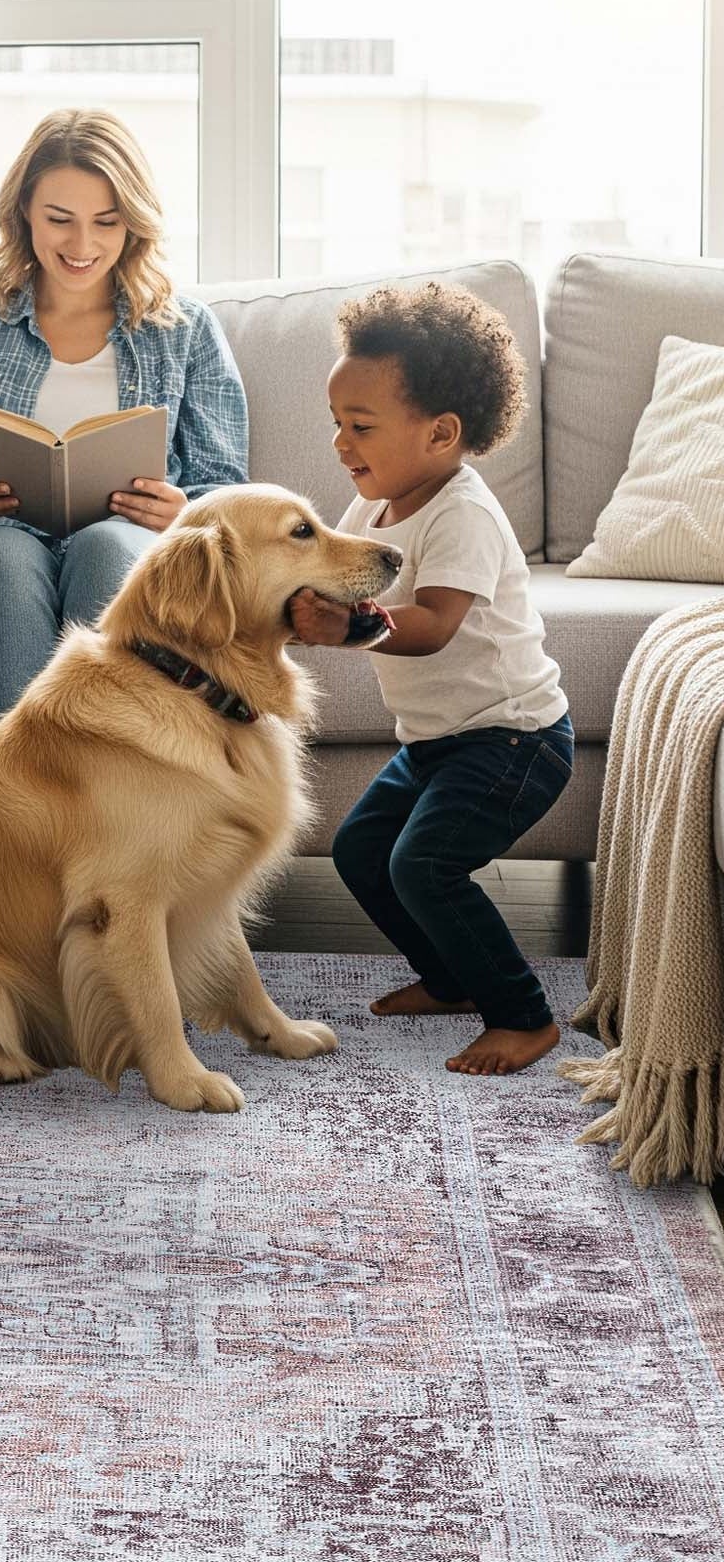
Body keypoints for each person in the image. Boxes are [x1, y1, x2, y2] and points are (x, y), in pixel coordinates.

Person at [289, 282, 574, 1077]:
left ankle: (523, 1014)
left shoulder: (462, 513)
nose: (343, 443)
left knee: (424, 863)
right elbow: (328, 580)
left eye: (363, 426)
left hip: (513, 738)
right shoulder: (367, 511)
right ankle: (450, 980)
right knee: (360, 851)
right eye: (338, 424)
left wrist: (345, 627)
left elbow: (434, 622)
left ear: (442, 433)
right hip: (438, 742)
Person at [0, 108, 247, 731]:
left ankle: (100, 805)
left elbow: (225, 496)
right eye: (59, 220)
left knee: (107, 545)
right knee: (6, 555)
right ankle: (15, 806)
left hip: (124, 544)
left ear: (133, 225)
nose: (82, 246)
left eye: (106, 223)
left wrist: (184, 518)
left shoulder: (187, 332)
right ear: (24, 215)